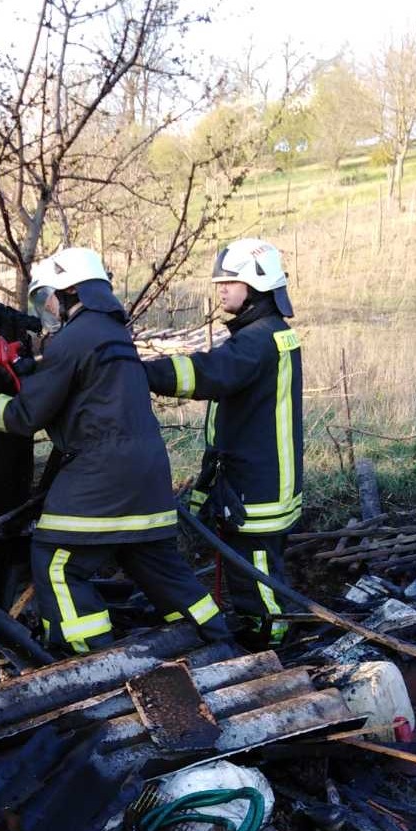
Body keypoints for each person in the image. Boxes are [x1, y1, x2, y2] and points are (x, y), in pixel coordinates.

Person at [0, 247, 230, 654]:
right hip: (150, 477)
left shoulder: (73, 338)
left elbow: (23, 417)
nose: (46, 308)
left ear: (73, 291)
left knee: (56, 560)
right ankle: (217, 641)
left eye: (47, 297)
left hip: (102, 475)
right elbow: (92, 398)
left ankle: (91, 660)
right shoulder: (115, 335)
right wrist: (39, 373)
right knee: (160, 568)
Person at [143, 238, 303, 646]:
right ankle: (260, 629)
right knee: (253, 565)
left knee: (256, 573)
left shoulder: (256, 341)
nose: (221, 290)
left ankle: (270, 641)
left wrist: (142, 372)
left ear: (256, 284)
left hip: (258, 482)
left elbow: (211, 375)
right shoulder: (270, 333)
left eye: (229, 282)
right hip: (263, 475)